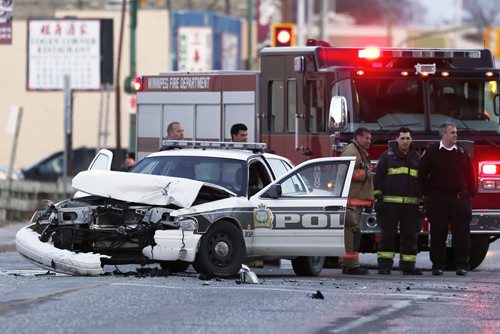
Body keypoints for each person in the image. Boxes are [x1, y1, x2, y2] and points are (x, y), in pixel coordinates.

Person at [418, 122, 476, 276]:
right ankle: (437, 265)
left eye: (456, 132)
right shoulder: (432, 152)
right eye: (452, 133)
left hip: (459, 199)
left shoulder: (462, 152)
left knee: (462, 233)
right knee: (438, 233)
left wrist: (471, 192)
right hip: (438, 199)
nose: (455, 135)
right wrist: (427, 193)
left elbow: (471, 173)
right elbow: (422, 173)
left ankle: (462, 265)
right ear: (443, 134)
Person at [374, 127, 422, 275]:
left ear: (411, 140)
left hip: (411, 206)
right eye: (403, 138)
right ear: (397, 140)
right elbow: (378, 178)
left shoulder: (417, 157)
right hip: (390, 205)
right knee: (387, 236)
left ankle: (408, 266)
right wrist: (378, 198)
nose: (405, 141)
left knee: (410, 236)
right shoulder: (387, 156)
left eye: (408, 138)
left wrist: (423, 200)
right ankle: (384, 266)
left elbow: (421, 181)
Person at [339, 127, 374, 275]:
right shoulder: (352, 152)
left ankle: (350, 264)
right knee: (351, 233)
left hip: (356, 201)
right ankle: (351, 266)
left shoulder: (358, 151)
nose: (369, 141)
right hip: (351, 202)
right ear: (358, 138)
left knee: (353, 233)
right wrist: (366, 174)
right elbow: (344, 172)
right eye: (366, 138)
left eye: (370, 139)